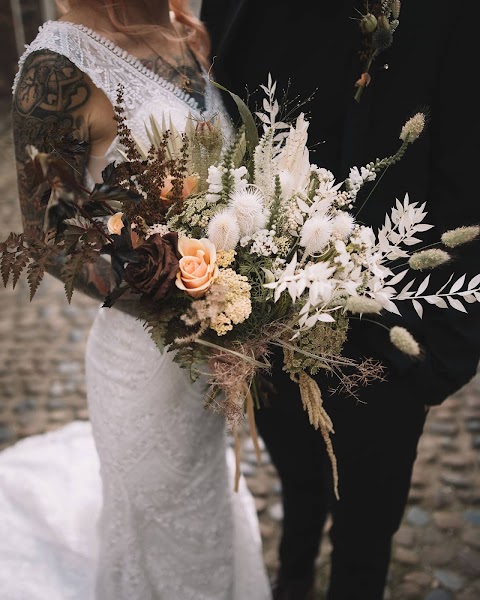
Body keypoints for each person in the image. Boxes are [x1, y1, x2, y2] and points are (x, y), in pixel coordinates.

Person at [200, 1, 480, 599]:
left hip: (390, 325)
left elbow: (467, 160)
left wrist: (445, 352)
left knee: (367, 522)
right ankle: (294, 570)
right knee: (297, 471)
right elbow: (220, 122)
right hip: (265, 307)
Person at [0, 1, 272, 599]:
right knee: (157, 526)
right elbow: (49, 235)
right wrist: (192, 295)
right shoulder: (58, 65)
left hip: (205, 358)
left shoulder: (185, 31)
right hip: (143, 361)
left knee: (202, 504)